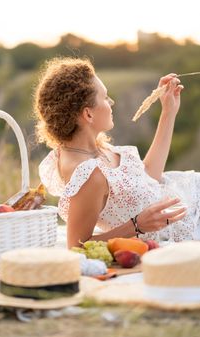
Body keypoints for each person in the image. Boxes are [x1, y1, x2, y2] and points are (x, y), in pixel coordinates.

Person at [34, 57, 200, 248]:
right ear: (88, 114)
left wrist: (168, 111)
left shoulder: (91, 148)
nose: (111, 102)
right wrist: (137, 226)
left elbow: (149, 176)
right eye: (105, 97)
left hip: (192, 196)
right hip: (191, 221)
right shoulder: (88, 174)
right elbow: (77, 245)